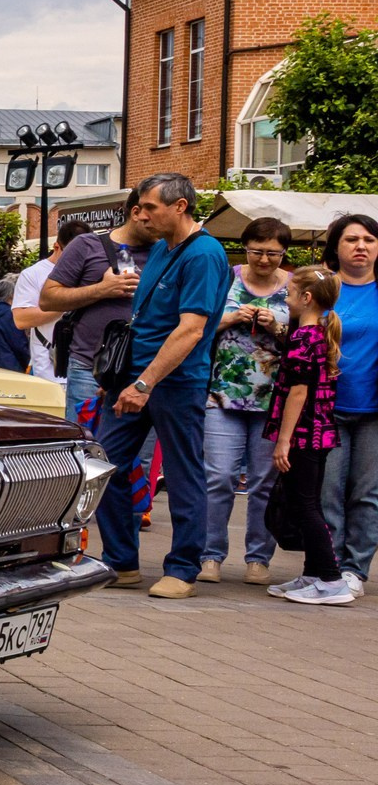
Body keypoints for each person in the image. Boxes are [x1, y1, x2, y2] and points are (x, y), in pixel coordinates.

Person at [93, 174, 230, 597]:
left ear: (180, 206)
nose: (142, 214)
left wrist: (146, 381)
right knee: (103, 464)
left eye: (150, 207)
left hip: (174, 382)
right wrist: (122, 380)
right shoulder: (159, 250)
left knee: (183, 472)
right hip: (134, 380)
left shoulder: (204, 254)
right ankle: (122, 561)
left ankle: (184, 568)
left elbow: (190, 330)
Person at [200, 218, 293, 585]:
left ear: (284, 253)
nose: (265, 259)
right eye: (257, 251)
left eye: (273, 253)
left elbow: (309, 340)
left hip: (274, 400)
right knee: (218, 477)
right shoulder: (227, 277)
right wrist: (230, 318)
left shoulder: (293, 285)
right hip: (223, 393)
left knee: (263, 483)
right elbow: (200, 322)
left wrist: (278, 328)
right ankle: (210, 556)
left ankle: (258, 558)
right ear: (246, 248)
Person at [265, 266, 347, 605]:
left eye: (289, 293)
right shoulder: (318, 334)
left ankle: (331, 579)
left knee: (305, 506)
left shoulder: (303, 337)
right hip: (320, 432)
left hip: (304, 434)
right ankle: (314, 574)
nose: (286, 299)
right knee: (308, 502)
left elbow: (298, 392)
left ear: (306, 298)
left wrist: (284, 440)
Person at [41, 203, 155, 435]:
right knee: (85, 446)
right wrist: (102, 289)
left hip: (145, 370)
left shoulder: (167, 251)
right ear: (136, 212)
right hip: (90, 366)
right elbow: (48, 299)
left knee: (138, 460)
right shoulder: (88, 245)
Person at [321, 212, 378, 598]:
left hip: (372, 410)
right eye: (352, 239)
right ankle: (329, 566)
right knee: (327, 493)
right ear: (336, 247)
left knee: (366, 493)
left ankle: (356, 569)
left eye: (369, 240)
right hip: (326, 407)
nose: (361, 246)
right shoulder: (322, 289)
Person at [9, 220, 86, 383]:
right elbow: (22, 319)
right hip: (50, 369)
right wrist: (73, 301)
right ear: (57, 247)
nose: (79, 260)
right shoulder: (33, 274)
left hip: (87, 366)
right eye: (73, 254)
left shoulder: (91, 270)